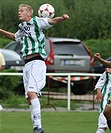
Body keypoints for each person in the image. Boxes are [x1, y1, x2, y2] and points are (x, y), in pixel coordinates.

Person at [0, 4, 69, 133]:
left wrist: (62, 18)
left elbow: (52, 21)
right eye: (18, 11)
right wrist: (1, 31)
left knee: (32, 93)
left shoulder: (37, 21)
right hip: (27, 64)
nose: (19, 13)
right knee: (29, 97)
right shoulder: (22, 27)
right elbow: (15, 37)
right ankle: (36, 127)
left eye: (21, 11)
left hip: (37, 61)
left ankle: (38, 127)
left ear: (29, 14)